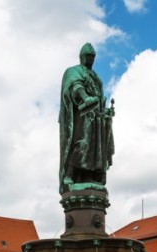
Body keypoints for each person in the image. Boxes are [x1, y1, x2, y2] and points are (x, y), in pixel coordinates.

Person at [58, 42, 114, 194]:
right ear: (82, 57)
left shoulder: (96, 77)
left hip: (97, 117)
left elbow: (100, 96)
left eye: (92, 56)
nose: (90, 59)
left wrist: (106, 112)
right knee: (82, 143)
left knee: (97, 148)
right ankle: (70, 175)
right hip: (82, 115)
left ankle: (92, 176)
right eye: (88, 56)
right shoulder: (73, 71)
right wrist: (85, 98)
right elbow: (74, 85)